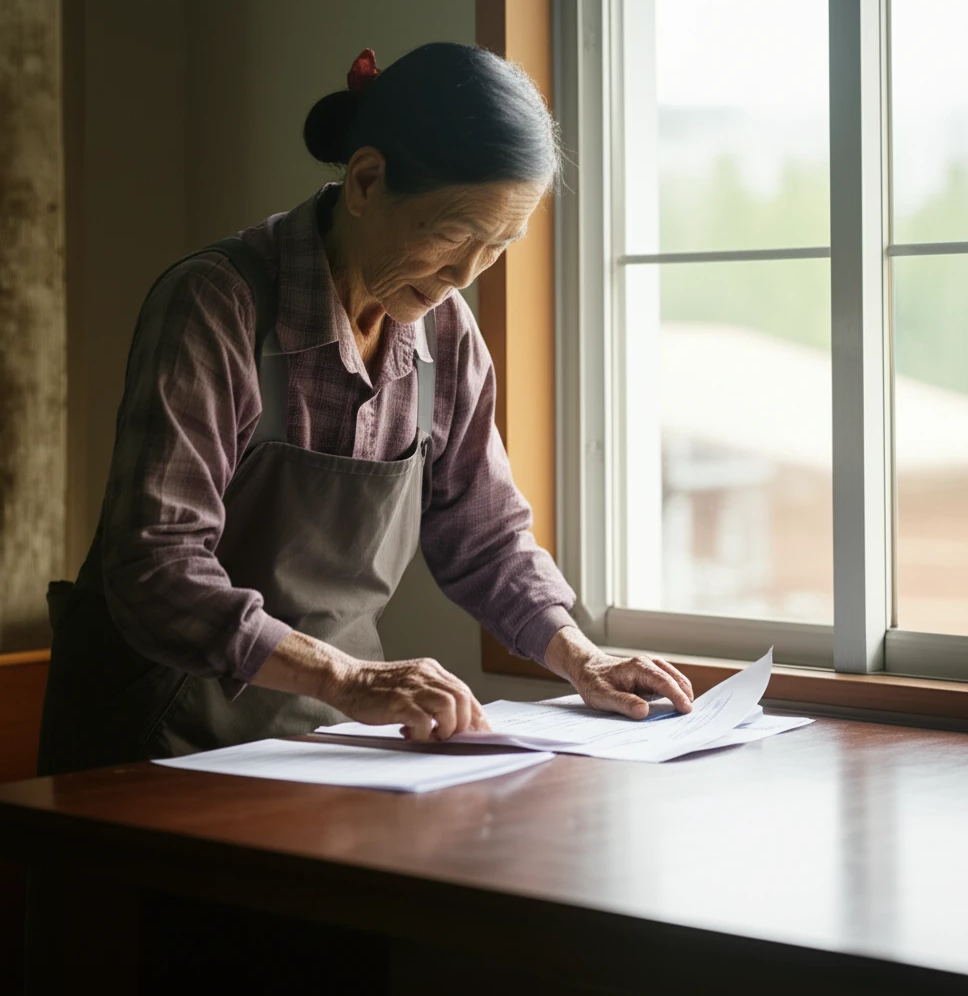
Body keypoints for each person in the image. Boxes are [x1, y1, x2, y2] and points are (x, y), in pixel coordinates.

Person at [37, 42, 693, 776]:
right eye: (454, 235)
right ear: (366, 181)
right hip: (151, 747)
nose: (465, 275)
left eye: (498, 246)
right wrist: (346, 677)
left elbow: (485, 540)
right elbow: (155, 566)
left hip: (321, 744)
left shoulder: (444, 334)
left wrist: (581, 657)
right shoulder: (217, 306)